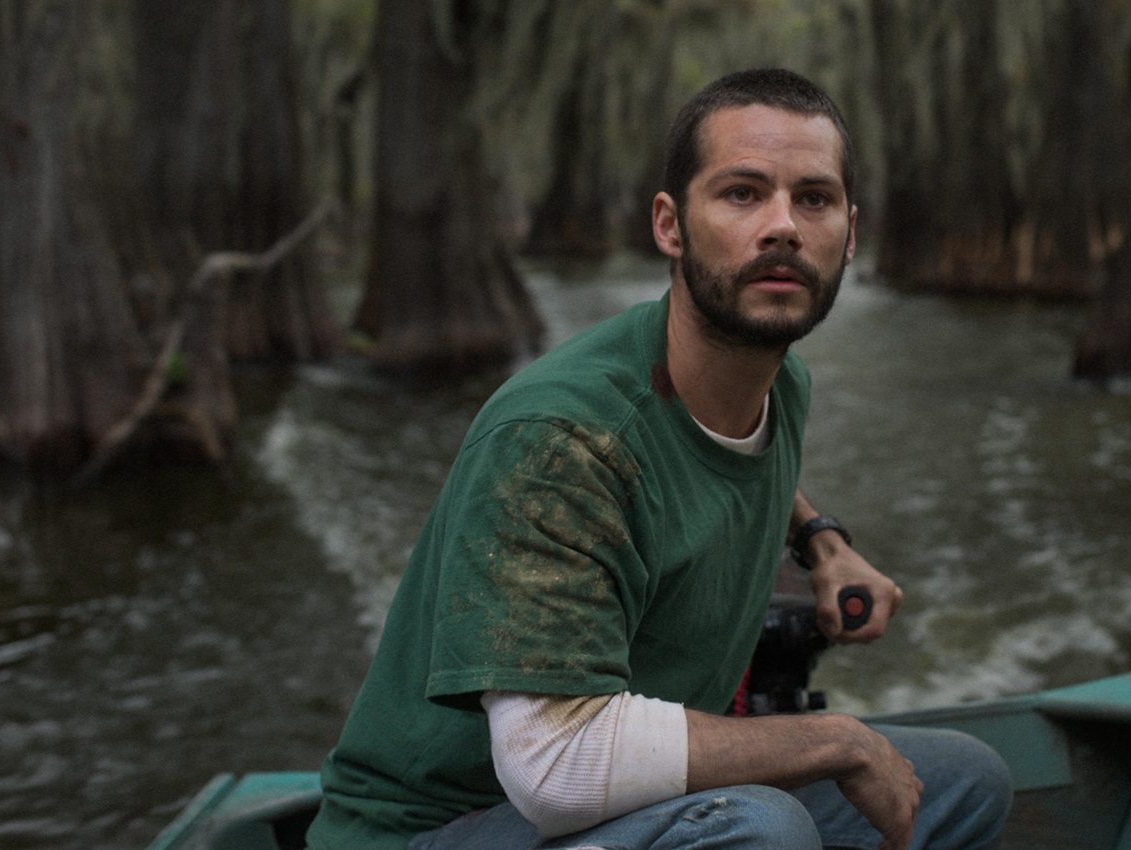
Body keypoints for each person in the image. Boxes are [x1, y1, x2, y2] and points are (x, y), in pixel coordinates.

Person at [305, 68, 1012, 850]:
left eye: (812, 199)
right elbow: (557, 767)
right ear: (670, 226)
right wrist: (835, 740)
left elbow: (724, 460)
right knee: (759, 829)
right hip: (439, 828)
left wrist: (823, 542)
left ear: (851, 231)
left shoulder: (780, 384)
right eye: (742, 193)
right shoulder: (559, 440)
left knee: (965, 781)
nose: (781, 225)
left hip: (611, 811)